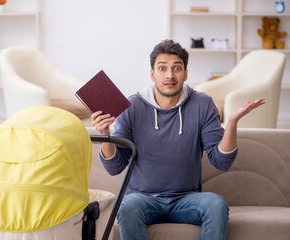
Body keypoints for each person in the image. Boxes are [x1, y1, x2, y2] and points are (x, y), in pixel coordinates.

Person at [92, 39, 265, 240]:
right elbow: (115, 167)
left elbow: (221, 161)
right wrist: (105, 135)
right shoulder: (131, 106)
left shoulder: (202, 104)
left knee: (216, 204)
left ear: (186, 73)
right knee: (127, 207)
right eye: (162, 68)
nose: (170, 75)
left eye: (177, 68)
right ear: (152, 73)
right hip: (142, 199)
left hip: (187, 199)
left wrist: (232, 123)